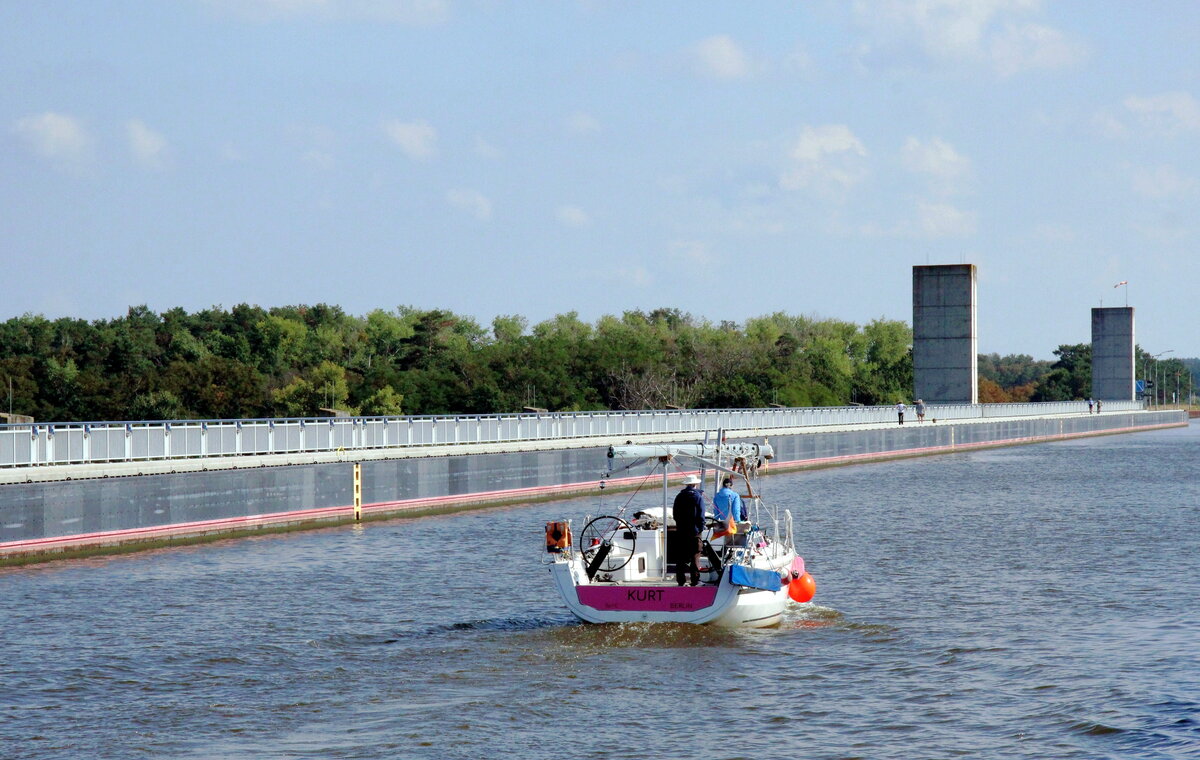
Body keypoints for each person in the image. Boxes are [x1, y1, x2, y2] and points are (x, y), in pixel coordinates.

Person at [671, 474, 704, 586]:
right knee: (695, 555)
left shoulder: (679, 496)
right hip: (694, 532)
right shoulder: (698, 497)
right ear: (695, 484)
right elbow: (701, 515)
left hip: (681, 531)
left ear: (686, 485)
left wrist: (680, 525)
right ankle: (695, 580)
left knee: (680, 557)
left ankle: (681, 580)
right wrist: (699, 529)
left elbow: (675, 514)